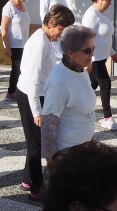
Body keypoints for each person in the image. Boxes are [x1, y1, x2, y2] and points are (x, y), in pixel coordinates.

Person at [15, 5, 74, 202]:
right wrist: (36, 112)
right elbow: (32, 79)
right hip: (30, 95)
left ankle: (27, 179)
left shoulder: (47, 39)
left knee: (35, 140)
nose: (61, 33)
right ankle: (36, 187)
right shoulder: (40, 42)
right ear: (51, 23)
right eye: (61, 29)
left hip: (38, 93)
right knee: (37, 144)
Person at [41, 26, 97, 160]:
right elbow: (48, 124)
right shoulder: (59, 82)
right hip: (68, 155)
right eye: (87, 51)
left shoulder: (81, 71)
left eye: (93, 49)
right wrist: (52, 162)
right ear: (70, 53)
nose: (92, 55)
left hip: (84, 149)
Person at [82, 0, 117, 131]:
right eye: (107, 0)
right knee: (105, 84)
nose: (110, 3)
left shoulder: (100, 14)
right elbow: (86, 39)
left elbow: (103, 37)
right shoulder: (91, 15)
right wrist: (87, 60)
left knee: (90, 86)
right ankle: (107, 118)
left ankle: (76, 109)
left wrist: (112, 52)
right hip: (94, 59)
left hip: (101, 58)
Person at [0, 0, 29, 102]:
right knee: (18, 69)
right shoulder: (8, 7)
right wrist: (6, 46)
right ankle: (11, 92)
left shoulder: (24, 5)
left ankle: (17, 91)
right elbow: (3, 28)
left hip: (24, 44)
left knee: (22, 68)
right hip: (14, 45)